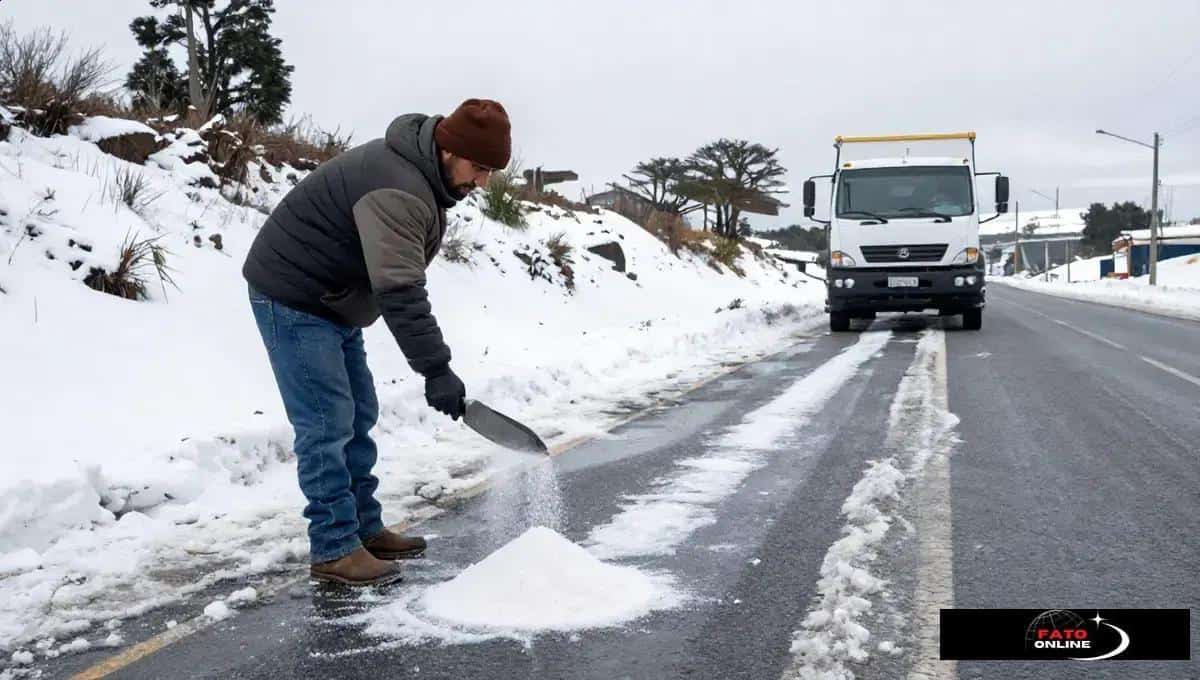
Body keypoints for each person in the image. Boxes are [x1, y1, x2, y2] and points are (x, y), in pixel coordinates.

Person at [242, 99, 512, 585]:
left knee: (358, 413)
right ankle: (333, 547)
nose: (483, 182)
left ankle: (362, 528)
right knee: (327, 423)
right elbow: (401, 289)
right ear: (450, 150)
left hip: (333, 300)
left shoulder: (421, 175)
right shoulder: (400, 187)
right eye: (480, 168)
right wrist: (435, 369)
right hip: (294, 297)